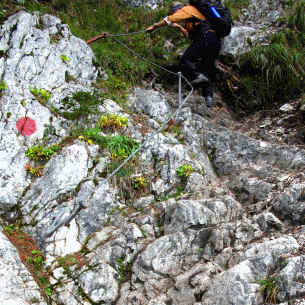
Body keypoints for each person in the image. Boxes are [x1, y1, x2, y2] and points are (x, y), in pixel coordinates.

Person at [146, 1, 221, 107]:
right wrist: (180, 28)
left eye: (174, 12)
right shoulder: (195, 16)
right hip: (215, 41)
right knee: (205, 69)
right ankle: (208, 97)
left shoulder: (187, 9)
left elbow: (171, 19)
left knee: (185, 60)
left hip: (206, 38)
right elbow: (189, 35)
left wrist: (155, 26)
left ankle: (198, 76)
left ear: (177, 9)